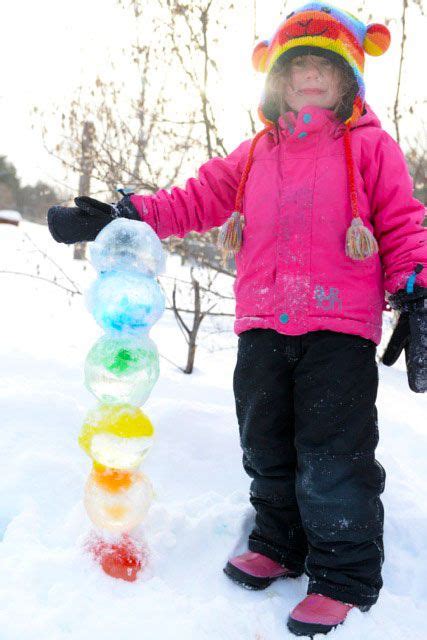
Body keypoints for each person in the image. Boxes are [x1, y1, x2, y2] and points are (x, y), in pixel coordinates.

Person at [47, 3, 427, 636]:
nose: (308, 76)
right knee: (266, 446)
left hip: (338, 330)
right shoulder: (253, 156)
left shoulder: (370, 149)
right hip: (262, 327)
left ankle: (344, 572)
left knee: (334, 455)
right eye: (296, 65)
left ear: (349, 81)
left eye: (323, 67)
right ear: (276, 80)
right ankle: (280, 542)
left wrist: (416, 286)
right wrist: (125, 214)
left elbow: (402, 222)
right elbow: (193, 200)